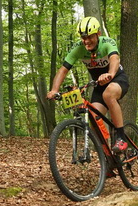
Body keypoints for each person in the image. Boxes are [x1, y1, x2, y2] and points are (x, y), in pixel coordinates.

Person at [47, 16, 130, 153]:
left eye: (90, 37)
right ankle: (108, 158)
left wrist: (110, 74)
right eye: (83, 37)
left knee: (109, 94)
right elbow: (63, 70)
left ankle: (121, 138)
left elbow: (115, 59)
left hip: (117, 79)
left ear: (98, 34)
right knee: (94, 119)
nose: (86, 41)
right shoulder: (78, 48)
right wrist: (54, 90)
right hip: (99, 85)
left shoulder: (107, 43)